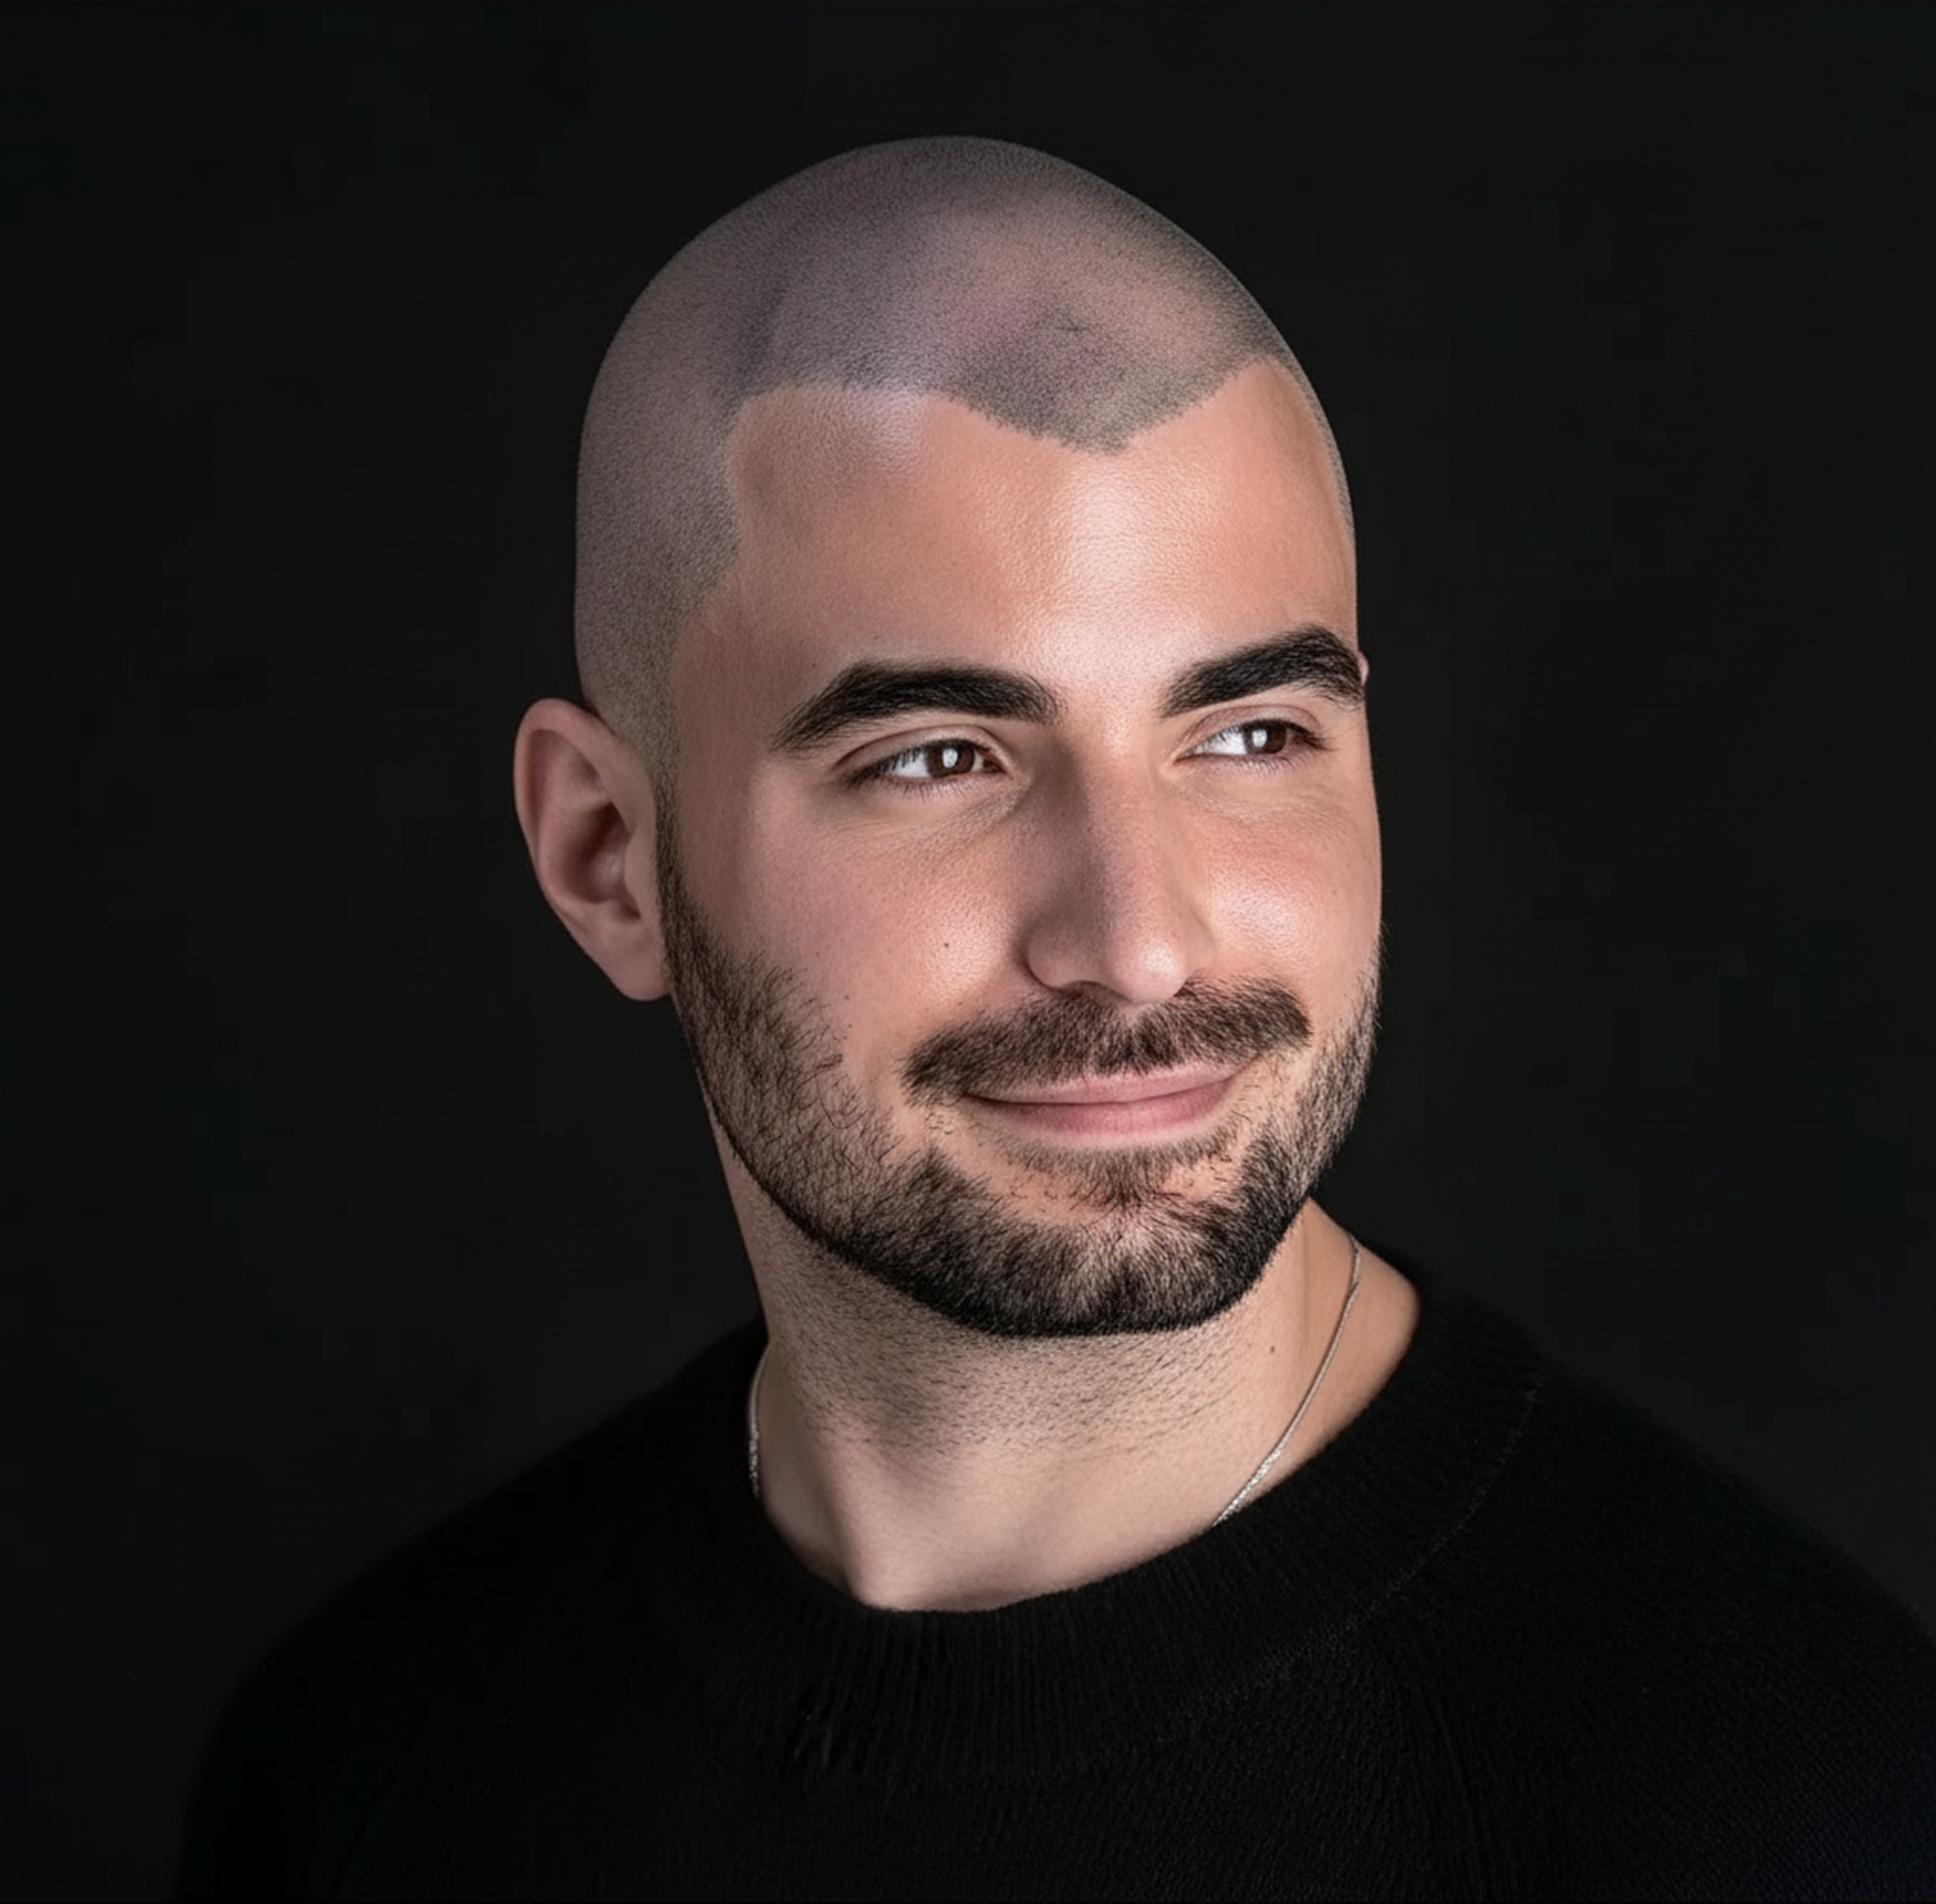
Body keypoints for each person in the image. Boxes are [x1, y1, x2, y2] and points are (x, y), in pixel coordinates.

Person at [174, 136, 1936, 1899]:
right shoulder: (366, 1774)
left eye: (1249, 736)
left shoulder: (1806, 1815)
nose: (1140, 943)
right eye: (939, 759)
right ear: (609, 857)